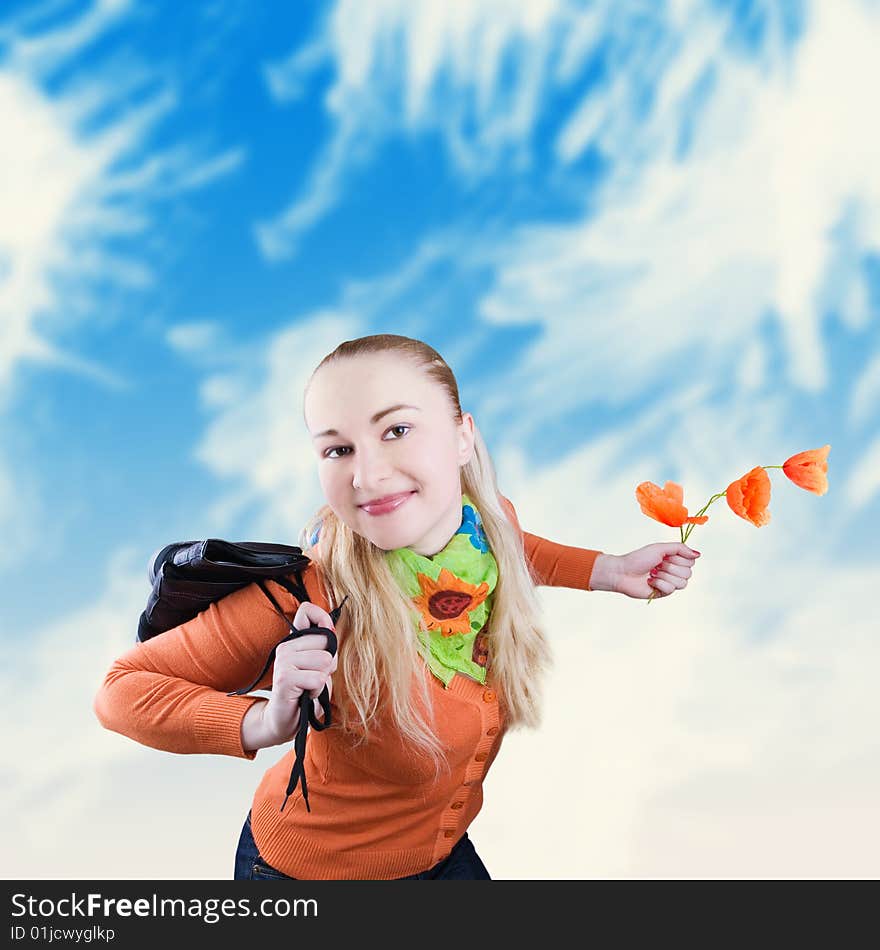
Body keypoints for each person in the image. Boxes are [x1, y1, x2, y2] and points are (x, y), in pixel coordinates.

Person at [93, 333, 700, 880]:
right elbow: (121, 690)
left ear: (463, 436)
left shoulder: (483, 527)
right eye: (337, 450)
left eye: (396, 430)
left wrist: (609, 571)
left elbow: (516, 551)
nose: (369, 474)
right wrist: (266, 721)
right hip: (311, 876)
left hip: (437, 854)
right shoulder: (308, 597)